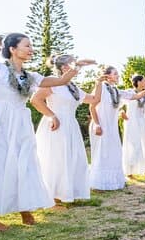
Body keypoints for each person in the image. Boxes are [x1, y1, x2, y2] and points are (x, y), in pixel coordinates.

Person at [0, 33, 79, 231]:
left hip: (21, 122)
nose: (31, 49)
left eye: (31, 46)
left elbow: (61, 80)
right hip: (0, 122)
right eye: (27, 46)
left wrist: (76, 66)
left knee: (25, 163)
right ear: (12, 49)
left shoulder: (31, 77)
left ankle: (25, 211)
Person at [32, 54, 103, 206]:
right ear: (64, 68)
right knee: (56, 158)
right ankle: (51, 196)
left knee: (71, 158)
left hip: (71, 125)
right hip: (56, 125)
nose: (76, 66)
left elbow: (94, 100)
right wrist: (51, 116)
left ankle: (64, 193)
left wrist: (98, 83)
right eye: (73, 63)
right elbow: (35, 100)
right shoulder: (52, 83)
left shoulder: (73, 88)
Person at [84, 65, 131, 190]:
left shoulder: (115, 90)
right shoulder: (100, 87)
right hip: (101, 125)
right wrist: (97, 124)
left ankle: (114, 182)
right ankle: (99, 184)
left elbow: (133, 96)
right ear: (107, 76)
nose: (118, 76)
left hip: (112, 126)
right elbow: (92, 107)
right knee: (102, 154)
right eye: (115, 73)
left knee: (114, 152)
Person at [119, 74, 145, 176]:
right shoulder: (130, 92)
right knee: (133, 144)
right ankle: (129, 170)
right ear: (138, 82)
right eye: (144, 80)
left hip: (142, 121)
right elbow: (118, 103)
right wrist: (121, 112)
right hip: (131, 121)